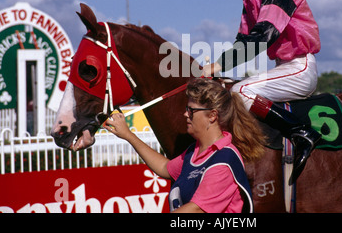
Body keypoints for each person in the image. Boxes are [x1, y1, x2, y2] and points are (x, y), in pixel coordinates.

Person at [203, 0, 322, 184]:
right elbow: (243, 40)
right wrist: (219, 70)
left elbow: (261, 38)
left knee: (241, 92)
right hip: (283, 68)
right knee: (230, 89)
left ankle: (301, 132)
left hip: (299, 68)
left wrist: (219, 64)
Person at [102, 78, 266, 213]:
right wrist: (128, 135)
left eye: (191, 110)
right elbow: (165, 168)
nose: (185, 114)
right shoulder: (194, 152)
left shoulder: (224, 159)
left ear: (212, 116)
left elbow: (195, 210)